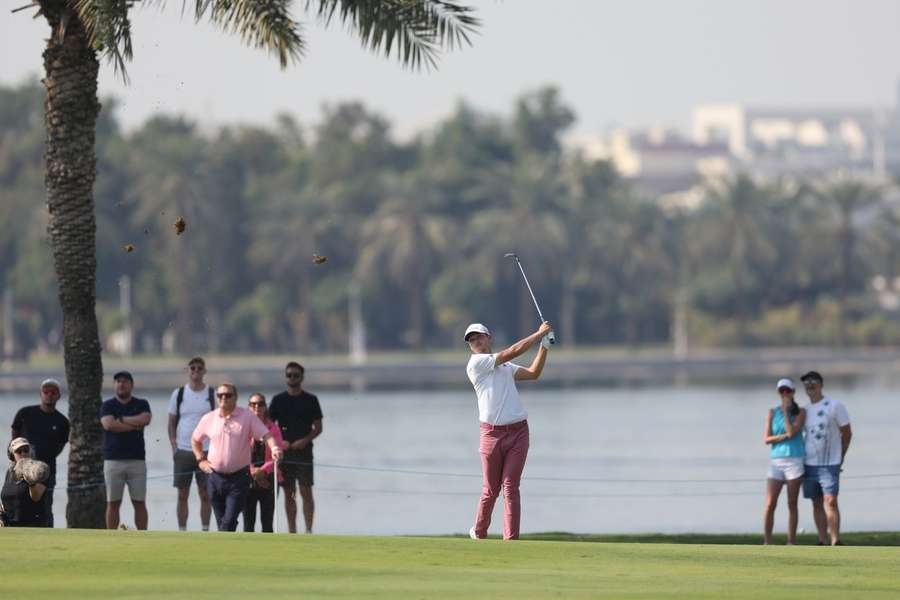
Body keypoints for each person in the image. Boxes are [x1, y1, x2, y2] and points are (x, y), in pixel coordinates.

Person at [464, 321, 552, 541]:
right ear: (471, 347)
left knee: (511, 487)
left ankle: (511, 540)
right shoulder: (476, 364)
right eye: (472, 341)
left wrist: (544, 346)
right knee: (491, 490)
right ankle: (479, 532)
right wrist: (538, 334)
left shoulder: (504, 367)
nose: (477, 342)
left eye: (480, 337)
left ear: (489, 337)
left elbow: (533, 373)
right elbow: (512, 351)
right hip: (491, 435)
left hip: (519, 432)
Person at [192, 383, 283, 532]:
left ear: (235, 397)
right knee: (223, 522)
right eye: (220, 395)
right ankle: (230, 550)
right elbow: (195, 440)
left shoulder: (247, 417)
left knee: (228, 523)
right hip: (214, 477)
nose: (224, 398)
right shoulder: (208, 418)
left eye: (228, 395)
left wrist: (274, 448)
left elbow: (267, 435)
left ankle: (226, 545)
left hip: (238, 479)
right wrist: (200, 459)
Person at [269, 362, 323, 534]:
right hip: (284, 454)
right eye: (289, 375)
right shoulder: (278, 400)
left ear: (302, 377)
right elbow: (269, 425)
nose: (292, 378)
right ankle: (292, 531)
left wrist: (305, 440)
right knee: (289, 493)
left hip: (304, 453)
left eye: (295, 375)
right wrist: (279, 442)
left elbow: (318, 427)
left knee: (306, 491)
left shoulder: (311, 400)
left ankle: (308, 530)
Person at [800, 370, 852, 546]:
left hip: (830, 463)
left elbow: (847, 433)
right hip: (809, 464)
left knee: (831, 500)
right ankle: (821, 540)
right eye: (806, 383)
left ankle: (835, 540)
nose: (810, 385)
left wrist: (841, 456)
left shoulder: (834, 405)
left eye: (813, 382)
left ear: (821, 385)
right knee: (816, 502)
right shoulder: (804, 411)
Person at [10, 378, 70, 527]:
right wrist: (20, 459)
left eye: (53, 392)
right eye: (46, 391)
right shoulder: (25, 413)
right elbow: (14, 438)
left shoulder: (62, 422)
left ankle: (47, 532)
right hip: (19, 469)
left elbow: (60, 447)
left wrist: (42, 461)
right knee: (16, 504)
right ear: (40, 394)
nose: (49, 394)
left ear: (58, 396)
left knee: (45, 506)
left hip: (47, 472)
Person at [100, 371, 152, 530]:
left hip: (137, 461)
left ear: (131, 384)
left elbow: (146, 419)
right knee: (113, 502)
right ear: (114, 385)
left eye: (125, 381)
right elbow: (108, 425)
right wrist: (134, 425)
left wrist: (121, 419)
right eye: (118, 381)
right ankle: (111, 536)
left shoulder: (142, 403)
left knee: (139, 502)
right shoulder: (108, 405)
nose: (121, 384)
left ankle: (143, 535)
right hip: (113, 461)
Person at [167, 356, 214, 531]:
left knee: (205, 494)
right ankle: (182, 530)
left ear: (204, 371)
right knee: (182, 494)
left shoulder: (211, 394)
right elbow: (171, 422)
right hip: (184, 450)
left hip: (206, 450)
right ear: (187, 370)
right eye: (192, 368)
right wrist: (174, 446)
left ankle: (205, 529)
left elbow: (218, 420)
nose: (196, 371)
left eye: (199, 368)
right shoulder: (178, 394)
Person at [762, 378, 806, 545]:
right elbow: (766, 439)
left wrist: (787, 412)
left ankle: (791, 541)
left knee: (792, 503)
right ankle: (767, 541)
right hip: (776, 461)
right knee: (770, 503)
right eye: (782, 391)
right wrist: (781, 437)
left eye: (788, 390)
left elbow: (792, 432)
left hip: (795, 459)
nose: (785, 394)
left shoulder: (801, 412)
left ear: (793, 392)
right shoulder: (772, 412)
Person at [243, 393, 284, 532]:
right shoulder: (243, 428)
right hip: (247, 478)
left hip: (270, 479)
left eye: (260, 404)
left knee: (267, 523)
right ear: (248, 407)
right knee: (248, 523)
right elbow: (239, 452)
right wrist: (253, 471)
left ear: (265, 407)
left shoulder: (274, 429)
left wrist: (263, 471)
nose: (257, 407)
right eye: (253, 404)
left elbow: (278, 454)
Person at [0, 438, 50, 527]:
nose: (23, 454)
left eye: (26, 450)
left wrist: (31, 483)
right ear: (12, 455)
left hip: (33, 526)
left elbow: (36, 497)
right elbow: (6, 496)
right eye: (19, 451)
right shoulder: (10, 472)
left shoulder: (39, 469)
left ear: (30, 452)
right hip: (10, 526)